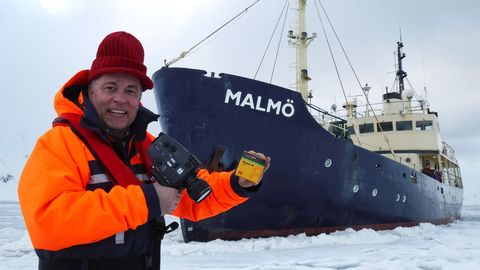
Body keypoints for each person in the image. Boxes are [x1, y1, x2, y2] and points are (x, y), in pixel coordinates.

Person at [18, 31, 271, 270]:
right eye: (110, 87)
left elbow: (194, 194)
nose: (120, 98)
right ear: (91, 90)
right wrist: (148, 200)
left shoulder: (147, 146)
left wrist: (237, 184)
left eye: (131, 91)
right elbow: (49, 222)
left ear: (139, 99)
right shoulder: (58, 144)